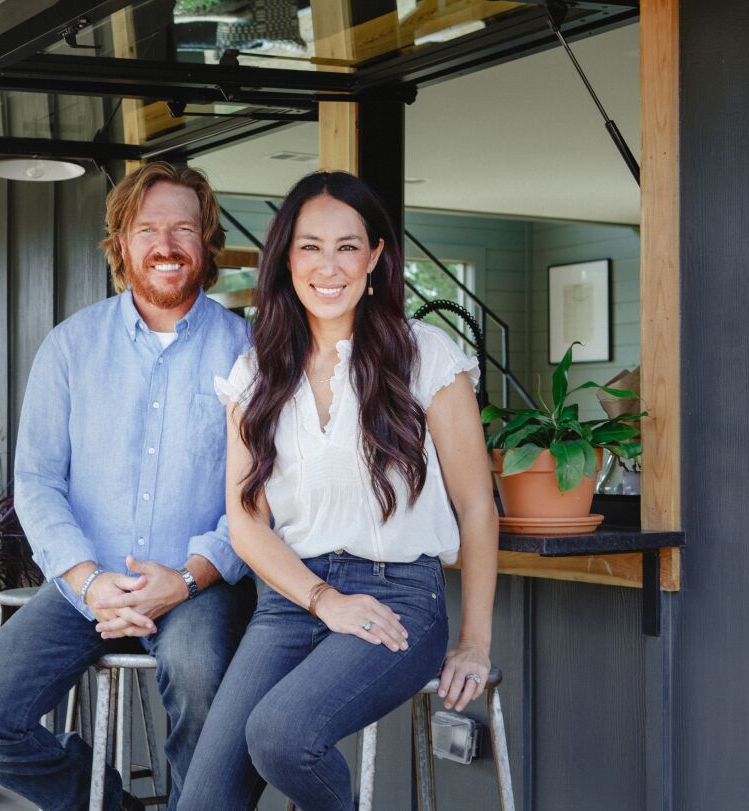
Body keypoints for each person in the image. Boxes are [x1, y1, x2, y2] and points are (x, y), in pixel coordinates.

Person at [178, 171, 500, 810]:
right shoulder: (257, 372)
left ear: (376, 257)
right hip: (292, 600)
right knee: (203, 801)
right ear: (286, 258)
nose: (329, 266)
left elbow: (476, 507)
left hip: (398, 595)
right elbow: (246, 525)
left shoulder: (425, 356)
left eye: (348, 246)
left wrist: (475, 640)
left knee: (281, 735)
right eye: (310, 246)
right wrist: (321, 599)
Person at [0, 162, 257, 811]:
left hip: (199, 586)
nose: (166, 245)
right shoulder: (69, 348)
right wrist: (87, 579)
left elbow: (263, 492)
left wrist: (192, 575)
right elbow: (35, 481)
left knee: (202, 677)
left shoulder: (249, 351)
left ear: (207, 241)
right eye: (148, 229)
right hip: (87, 586)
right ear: (120, 243)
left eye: (183, 228)